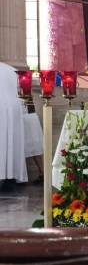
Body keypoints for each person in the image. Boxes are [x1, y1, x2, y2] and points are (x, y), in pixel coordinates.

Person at [0, 62, 27, 191]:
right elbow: (22, 93)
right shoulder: (12, 69)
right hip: (14, 109)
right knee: (12, 144)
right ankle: (10, 178)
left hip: (3, 108)